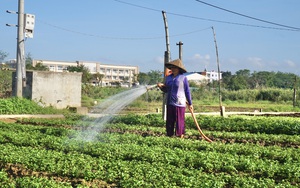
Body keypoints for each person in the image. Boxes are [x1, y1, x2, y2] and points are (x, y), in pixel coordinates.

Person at [157, 59, 193, 138]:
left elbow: (187, 91)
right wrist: (161, 87)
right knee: (170, 120)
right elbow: (166, 90)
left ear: (179, 68)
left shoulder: (183, 78)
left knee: (179, 120)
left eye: (175, 67)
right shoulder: (168, 78)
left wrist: (190, 103)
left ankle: (180, 136)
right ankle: (170, 135)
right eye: (172, 67)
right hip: (170, 102)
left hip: (179, 103)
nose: (173, 69)